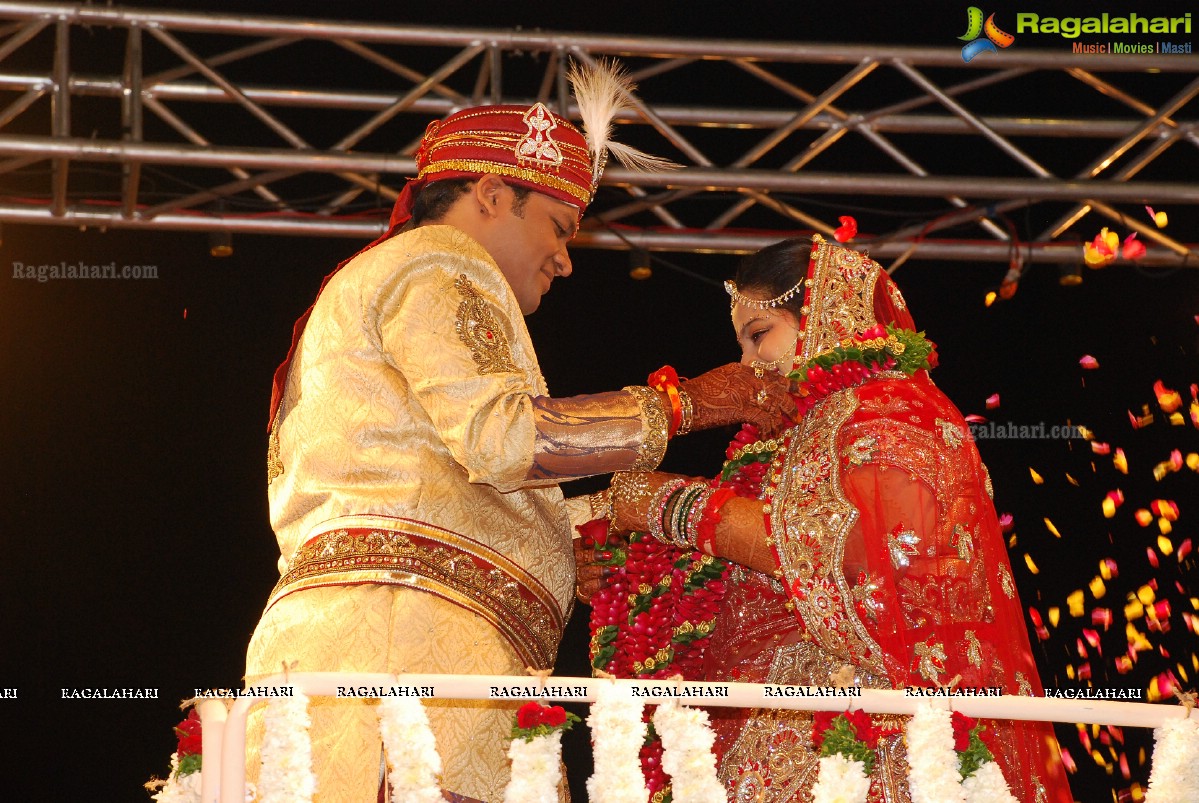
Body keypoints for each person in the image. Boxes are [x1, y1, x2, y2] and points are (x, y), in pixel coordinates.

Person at [242, 60, 795, 803]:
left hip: (380, 643)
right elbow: (503, 440)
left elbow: (432, 492)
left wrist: (574, 541)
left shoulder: (388, 276)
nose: (565, 260)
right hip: (402, 649)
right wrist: (686, 404)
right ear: (492, 195)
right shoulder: (442, 260)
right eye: (559, 227)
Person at [576, 235, 1073, 802]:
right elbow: (741, 571)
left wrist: (668, 505)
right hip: (789, 731)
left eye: (759, 335)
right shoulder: (796, 435)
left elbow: (843, 558)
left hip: (882, 740)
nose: (746, 363)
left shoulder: (894, 413)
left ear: (823, 315)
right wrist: (628, 561)